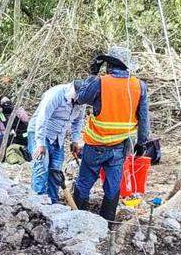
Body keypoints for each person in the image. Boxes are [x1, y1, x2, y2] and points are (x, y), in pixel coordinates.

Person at [72, 45, 150, 222]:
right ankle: (108, 225)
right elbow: (144, 118)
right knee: (113, 186)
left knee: (84, 183)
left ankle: (77, 221)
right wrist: (142, 142)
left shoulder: (101, 81)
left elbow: (81, 98)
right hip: (119, 146)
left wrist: (92, 74)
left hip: (95, 144)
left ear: (109, 65)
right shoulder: (139, 86)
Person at [28, 80, 85, 203]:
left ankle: (52, 202)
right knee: (41, 168)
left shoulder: (82, 101)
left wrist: (75, 140)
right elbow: (42, 118)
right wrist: (40, 143)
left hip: (58, 137)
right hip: (40, 133)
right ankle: (38, 202)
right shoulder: (56, 94)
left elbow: (78, 121)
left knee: (56, 170)